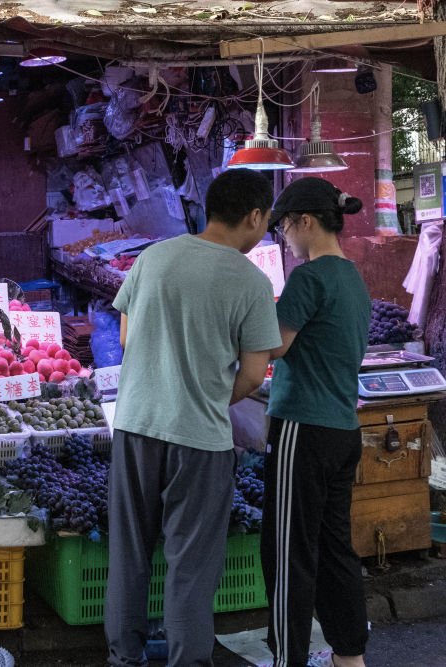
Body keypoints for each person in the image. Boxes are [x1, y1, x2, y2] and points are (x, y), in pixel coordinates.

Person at [106, 169, 281, 667]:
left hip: (136, 425)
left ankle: (124, 659)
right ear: (254, 216)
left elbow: (124, 338)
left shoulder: (153, 257)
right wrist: (202, 391)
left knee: (129, 554)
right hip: (199, 440)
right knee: (190, 567)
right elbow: (252, 372)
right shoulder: (250, 281)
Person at [264, 177, 370, 667]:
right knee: (334, 549)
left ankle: (288, 658)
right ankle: (350, 657)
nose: (284, 238)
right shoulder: (353, 277)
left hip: (302, 430)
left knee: (288, 552)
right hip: (343, 429)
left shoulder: (309, 277)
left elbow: (275, 346)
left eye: (284, 227)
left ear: (305, 221)